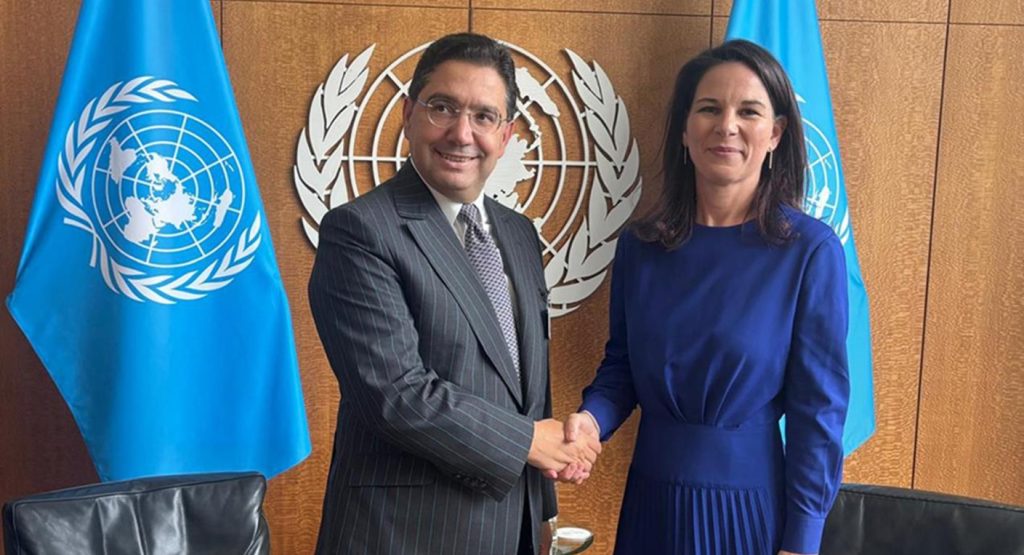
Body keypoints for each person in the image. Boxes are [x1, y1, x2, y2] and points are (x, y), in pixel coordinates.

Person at [308, 33, 599, 555]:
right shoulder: (360, 231)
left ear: (505, 136)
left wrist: (548, 496)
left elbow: (525, 391)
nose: (462, 133)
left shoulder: (518, 234)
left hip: (511, 530)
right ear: (408, 114)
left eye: (484, 116)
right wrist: (531, 442)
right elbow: (395, 395)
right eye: (442, 107)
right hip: (402, 536)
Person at [562, 40, 850, 555]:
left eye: (749, 112)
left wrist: (802, 541)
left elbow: (819, 413)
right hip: (650, 504)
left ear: (776, 133)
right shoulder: (640, 246)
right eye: (709, 109)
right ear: (684, 129)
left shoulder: (809, 251)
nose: (727, 126)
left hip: (750, 511)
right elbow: (622, 368)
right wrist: (591, 421)